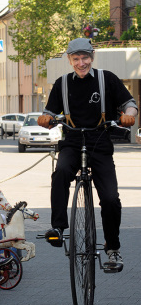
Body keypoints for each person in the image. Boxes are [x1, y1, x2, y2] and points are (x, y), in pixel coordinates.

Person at [38, 38, 137, 269]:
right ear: (70, 59)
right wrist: (46, 119)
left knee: (111, 199)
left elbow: (129, 103)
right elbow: (49, 112)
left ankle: (112, 249)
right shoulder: (62, 83)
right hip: (72, 141)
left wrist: (128, 114)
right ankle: (58, 227)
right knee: (61, 172)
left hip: (100, 141)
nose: (81, 63)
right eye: (76, 59)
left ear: (92, 56)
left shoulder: (107, 78)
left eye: (85, 58)